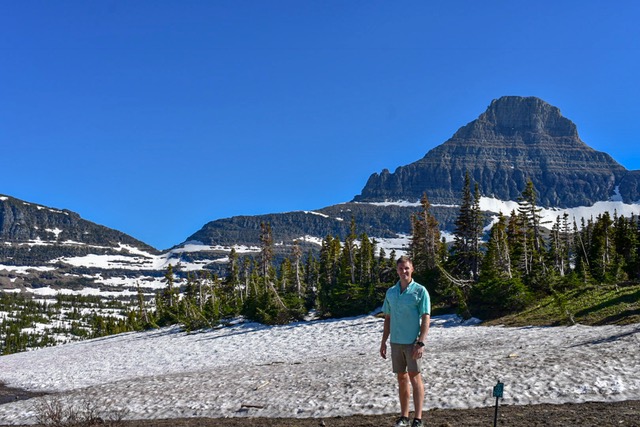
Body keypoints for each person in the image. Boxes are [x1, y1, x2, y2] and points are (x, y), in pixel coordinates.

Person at [380, 255, 431, 427]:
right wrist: (383, 342)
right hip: (395, 342)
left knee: (415, 377)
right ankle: (404, 416)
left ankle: (418, 418)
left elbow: (425, 318)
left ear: (412, 269)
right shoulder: (391, 292)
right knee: (401, 378)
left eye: (407, 268)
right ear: (397, 270)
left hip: (412, 342)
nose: (404, 272)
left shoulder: (420, 291)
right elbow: (387, 318)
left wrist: (421, 342)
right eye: (401, 269)